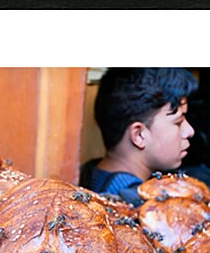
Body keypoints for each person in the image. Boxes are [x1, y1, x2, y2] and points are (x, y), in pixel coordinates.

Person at [81, 68, 197, 205]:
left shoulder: (90, 173)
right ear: (139, 135)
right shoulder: (135, 209)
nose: (190, 131)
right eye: (178, 122)